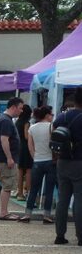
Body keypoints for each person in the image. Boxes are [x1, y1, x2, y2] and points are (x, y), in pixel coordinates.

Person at [52, 87, 82, 245]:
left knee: (62, 199)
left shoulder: (63, 116)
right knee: (79, 199)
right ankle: (80, 237)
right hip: (79, 161)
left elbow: (53, 131)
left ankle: (60, 235)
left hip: (62, 161)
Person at [20, 105, 56, 224]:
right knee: (49, 189)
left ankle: (27, 213)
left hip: (37, 161)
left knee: (34, 189)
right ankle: (47, 215)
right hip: (50, 160)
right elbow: (54, 144)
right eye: (52, 114)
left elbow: (30, 146)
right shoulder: (52, 127)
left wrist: (35, 157)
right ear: (47, 115)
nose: (52, 116)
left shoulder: (32, 128)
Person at [0, 96, 25, 220]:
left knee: (6, 185)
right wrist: (9, 158)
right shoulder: (6, 121)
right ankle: (3, 212)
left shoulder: (4, 119)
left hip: (3, 158)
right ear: (13, 107)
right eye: (20, 108)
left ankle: (4, 211)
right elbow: (4, 139)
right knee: (7, 185)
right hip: (5, 159)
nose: (21, 111)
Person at [15, 104, 33, 202]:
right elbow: (26, 136)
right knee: (29, 169)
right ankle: (28, 193)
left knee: (20, 170)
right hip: (26, 147)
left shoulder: (17, 122)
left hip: (19, 146)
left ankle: (19, 192)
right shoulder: (26, 123)